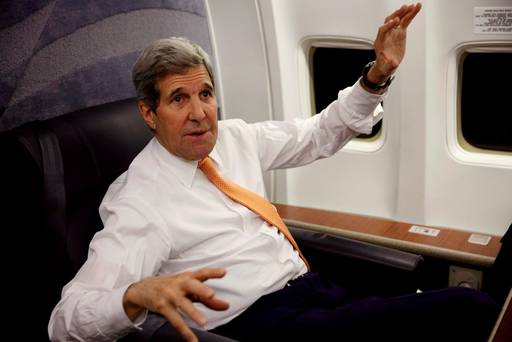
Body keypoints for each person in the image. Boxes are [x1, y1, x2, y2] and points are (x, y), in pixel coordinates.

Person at [48, 3, 496, 341]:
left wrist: (376, 75)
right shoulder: (140, 201)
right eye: (178, 99)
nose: (200, 113)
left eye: (205, 93)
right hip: (262, 324)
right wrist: (133, 295)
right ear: (149, 113)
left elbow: (319, 134)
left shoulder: (234, 138)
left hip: (312, 287)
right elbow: (65, 321)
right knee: (468, 307)